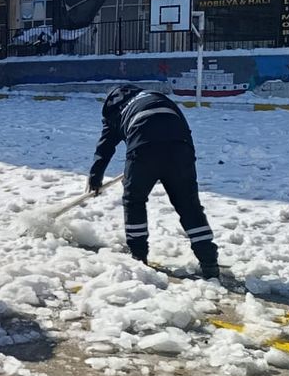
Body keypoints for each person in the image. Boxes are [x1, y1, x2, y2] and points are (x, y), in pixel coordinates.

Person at [88, 84, 220, 279]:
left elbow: (105, 146)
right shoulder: (156, 96)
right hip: (180, 146)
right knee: (189, 205)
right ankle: (209, 263)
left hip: (143, 147)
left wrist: (95, 176)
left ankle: (138, 257)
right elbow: (183, 127)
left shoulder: (115, 111)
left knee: (134, 201)